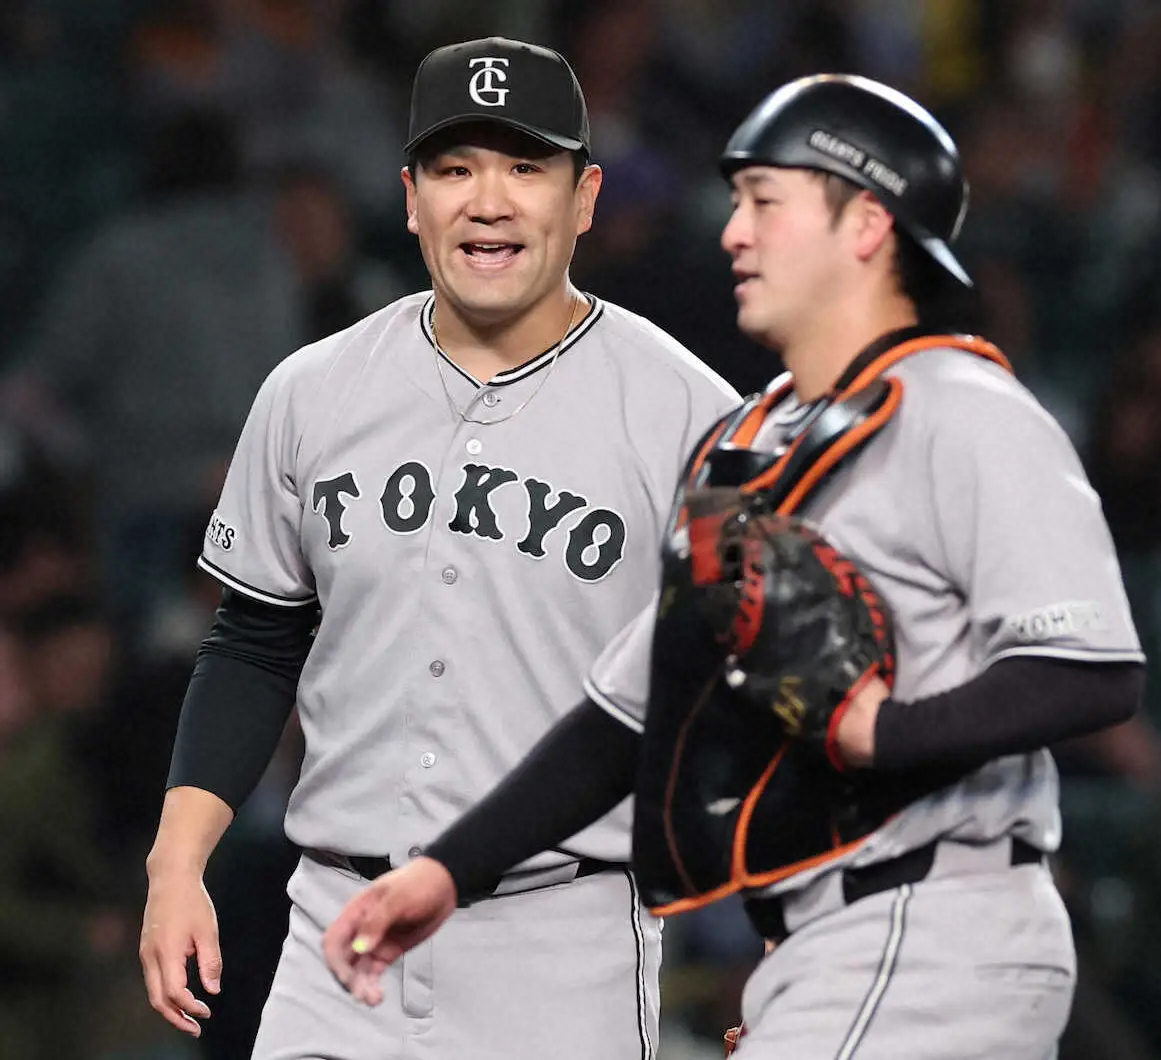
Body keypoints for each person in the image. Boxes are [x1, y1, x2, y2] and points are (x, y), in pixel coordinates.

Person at [322, 74, 1146, 1059]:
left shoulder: (959, 407)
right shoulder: (756, 443)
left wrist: (885, 733)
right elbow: (625, 720)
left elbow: (1089, 668)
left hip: (928, 921)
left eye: (765, 201)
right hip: (829, 944)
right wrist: (446, 871)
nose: (733, 233)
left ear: (866, 223)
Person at [137, 35, 739, 1060]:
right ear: (411, 198)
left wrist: (787, 942)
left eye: (524, 168)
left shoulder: (691, 416)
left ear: (585, 199)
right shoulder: (312, 391)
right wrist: (177, 862)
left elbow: (755, 691)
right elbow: (254, 641)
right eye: (456, 170)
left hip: (562, 948)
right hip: (334, 932)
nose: (488, 203)